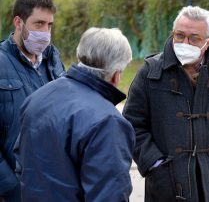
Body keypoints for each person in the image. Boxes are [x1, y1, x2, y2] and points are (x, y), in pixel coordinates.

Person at [122, 6, 209, 202]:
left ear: (208, 42)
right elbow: (132, 124)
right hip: (165, 189)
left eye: (194, 38)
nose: (185, 42)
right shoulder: (150, 74)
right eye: (180, 35)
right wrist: (155, 165)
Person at [13, 27, 135, 202]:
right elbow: (109, 194)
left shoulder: (38, 97)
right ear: (116, 75)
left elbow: (21, 163)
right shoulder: (108, 121)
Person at [0, 0, 65, 201]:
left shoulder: (54, 62)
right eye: (39, 24)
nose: (45, 32)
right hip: (15, 191)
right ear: (19, 22)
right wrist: (9, 187)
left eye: (49, 25)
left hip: (55, 186)